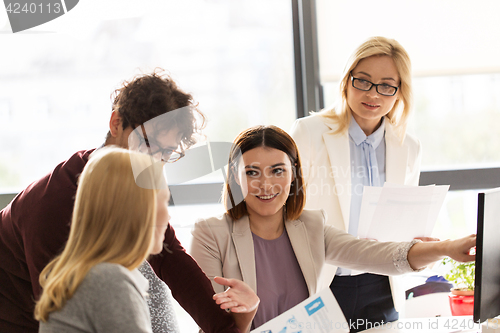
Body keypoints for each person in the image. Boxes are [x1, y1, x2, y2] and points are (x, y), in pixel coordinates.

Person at [0, 70, 246, 333]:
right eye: (148, 144)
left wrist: (225, 328)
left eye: (166, 152)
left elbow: (172, 259)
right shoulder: (55, 204)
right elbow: (55, 310)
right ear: (116, 123)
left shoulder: (132, 190)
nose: (154, 160)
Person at [190, 125, 476, 330]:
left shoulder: (312, 225)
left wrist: (448, 248)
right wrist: (246, 312)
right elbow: (216, 325)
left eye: (278, 170)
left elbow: (378, 254)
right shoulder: (210, 234)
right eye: (252, 172)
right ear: (235, 177)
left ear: (293, 175)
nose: (266, 184)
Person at [34, 148, 259, 333]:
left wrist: (242, 317)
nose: (168, 215)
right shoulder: (109, 280)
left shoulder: (87, 274)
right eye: (162, 202)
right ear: (136, 210)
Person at [290, 36, 422, 331]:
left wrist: (416, 240)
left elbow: (403, 215)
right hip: (325, 282)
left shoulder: (409, 147)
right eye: (363, 81)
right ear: (346, 81)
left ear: (399, 92)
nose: (373, 94)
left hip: (382, 285)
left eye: (387, 85)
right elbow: (287, 210)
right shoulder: (309, 132)